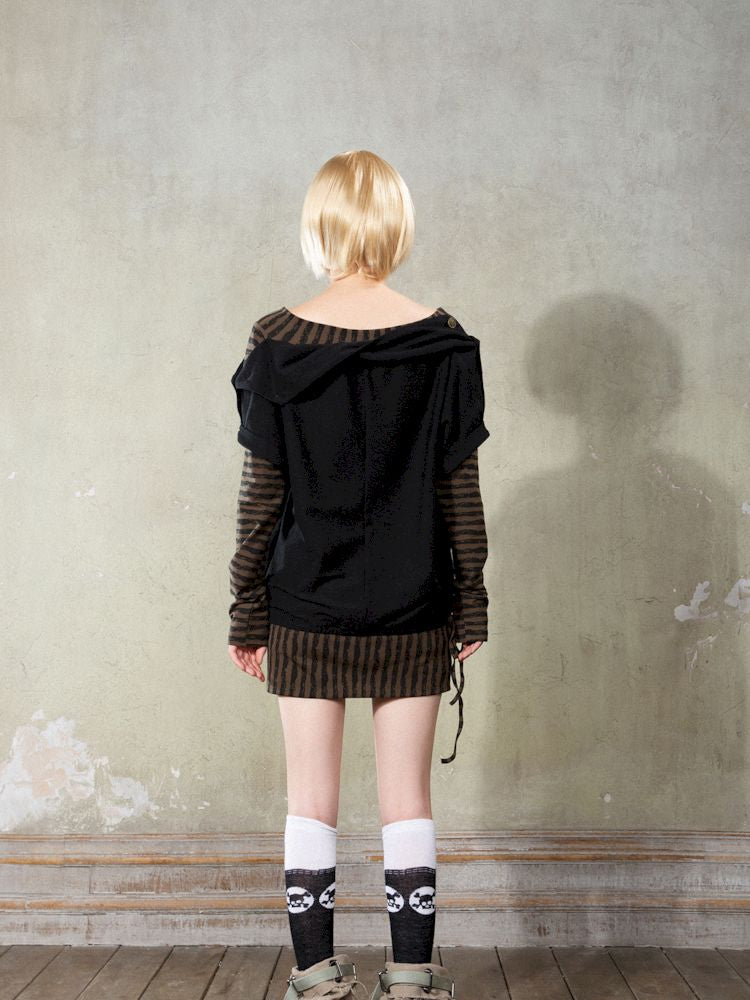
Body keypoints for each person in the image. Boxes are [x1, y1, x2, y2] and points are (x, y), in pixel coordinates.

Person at [227, 150, 490, 1000]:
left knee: (311, 797)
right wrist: (470, 601)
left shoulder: (276, 341)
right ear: (396, 226)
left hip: (304, 602)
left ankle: (314, 975)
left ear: (320, 226)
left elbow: (261, 498)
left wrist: (246, 609)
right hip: (416, 601)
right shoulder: (444, 341)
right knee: (407, 794)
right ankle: (411, 974)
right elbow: (459, 492)